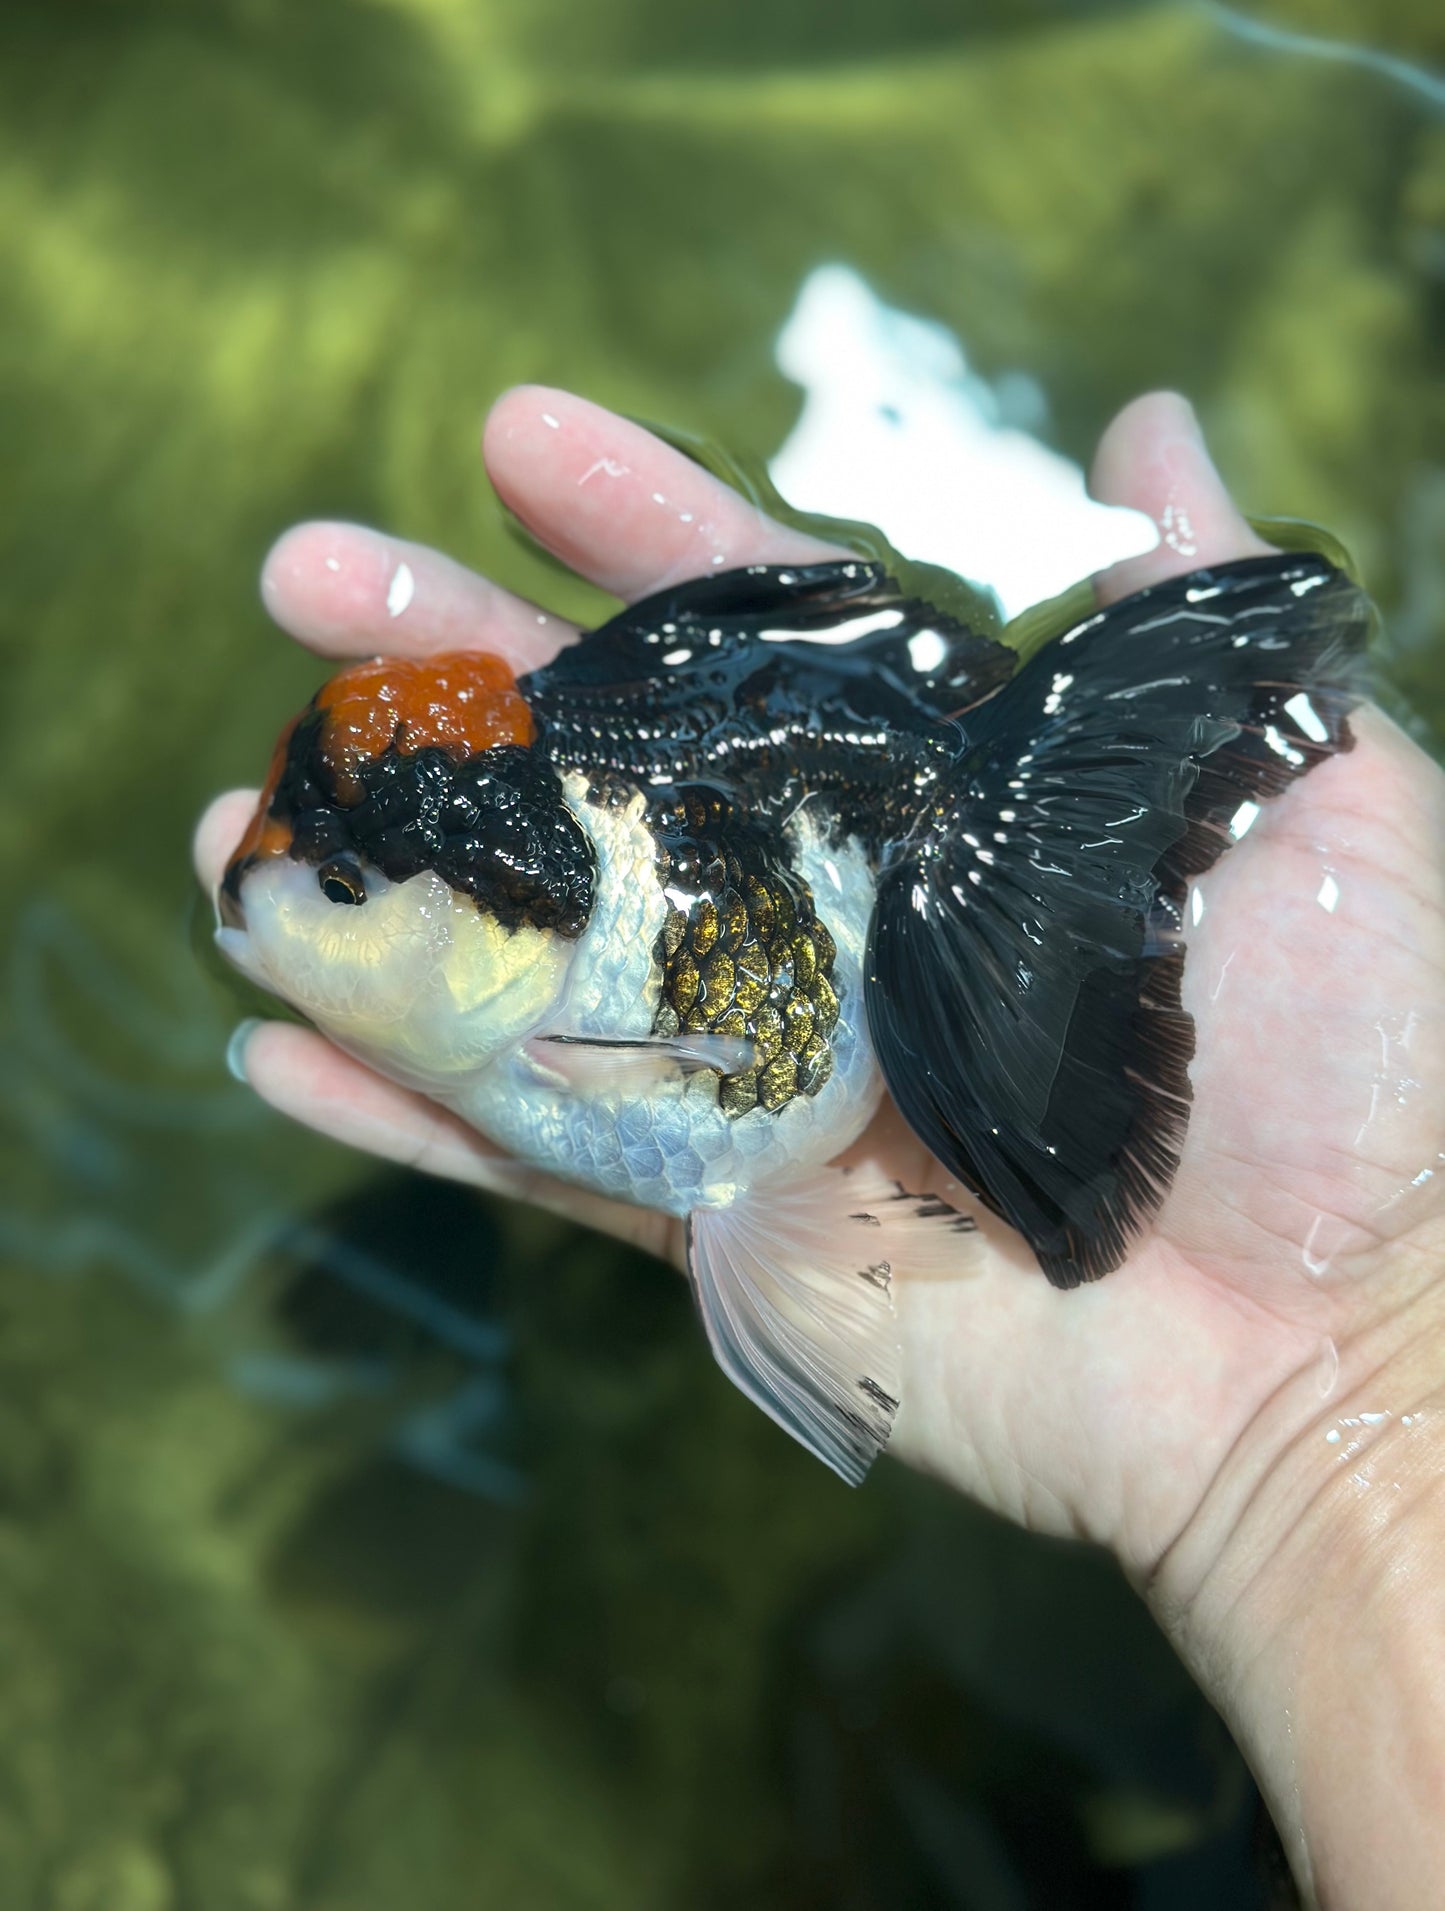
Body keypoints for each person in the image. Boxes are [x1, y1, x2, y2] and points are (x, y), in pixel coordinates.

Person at [196, 386, 1445, 1909]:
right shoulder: (511, 932)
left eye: (332, 895)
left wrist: (1385, 1358)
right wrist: (1362, 1409)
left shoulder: (572, 977)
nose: (264, 911)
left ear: (477, 927)